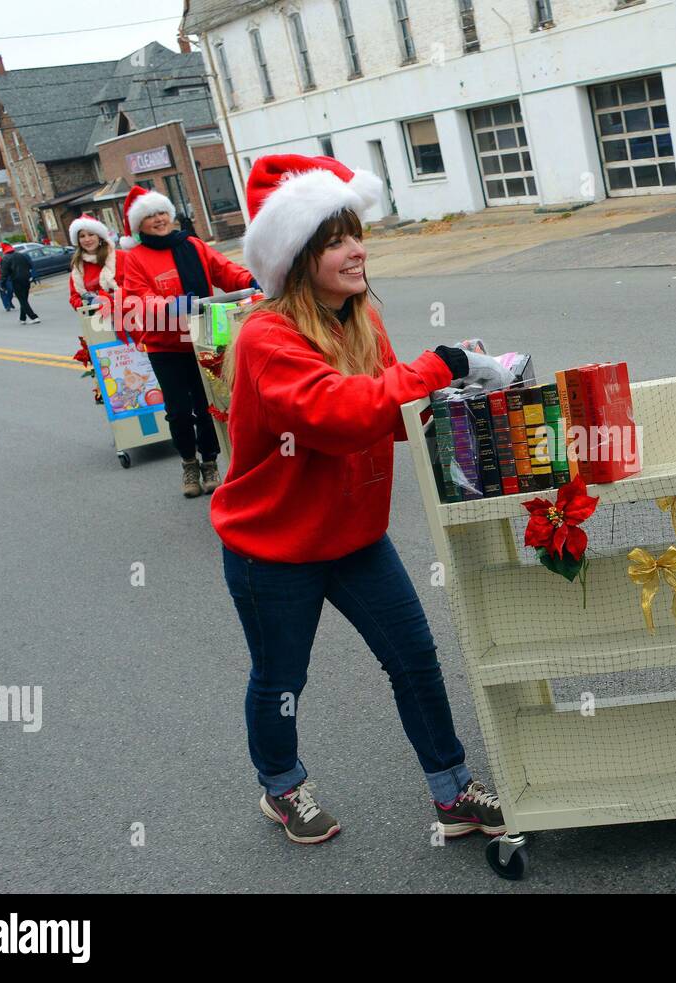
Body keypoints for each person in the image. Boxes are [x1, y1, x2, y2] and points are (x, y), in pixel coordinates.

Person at [211, 154, 511, 846]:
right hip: (273, 547)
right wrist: (439, 365)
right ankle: (281, 785)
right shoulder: (266, 335)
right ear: (298, 258)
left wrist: (461, 400)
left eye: (354, 235)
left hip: (353, 536)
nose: (355, 250)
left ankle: (452, 789)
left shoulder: (359, 317)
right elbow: (337, 414)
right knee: (283, 676)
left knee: (414, 656)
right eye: (334, 240)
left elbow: (388, 413)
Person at [122, 185, 255, 498]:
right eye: (150, 215)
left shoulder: (192, 245)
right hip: (166, 345)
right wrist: (173, 306)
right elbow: (138, 300)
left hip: (206, 336)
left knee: (209, 404)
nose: (159, 219)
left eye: (162, 212)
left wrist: (251, 280)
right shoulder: (135, 259)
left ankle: (210, 462)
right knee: (180, 411)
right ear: (138, 225)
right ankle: (188, 463)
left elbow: (224, 270)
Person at [67, 214, 132, 343]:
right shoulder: (78, 268)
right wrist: (91, 302)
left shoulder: (122, 257)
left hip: (131, 317)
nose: (87, 239)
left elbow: (136, 284)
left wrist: (115, 297)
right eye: (82, 236)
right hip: (100, 324)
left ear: (99, 236)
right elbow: (74, 298)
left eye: (91, 234)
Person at [0, 245, 39, 324]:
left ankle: (34, 317)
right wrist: (31, 276)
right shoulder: (22, 255)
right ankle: (22, 318)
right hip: (26, 279)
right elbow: (30, 265)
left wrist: (2, 284)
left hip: (16, 280)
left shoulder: (5, 259)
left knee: (22, 300)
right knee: (24, 299)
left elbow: (4, 273)